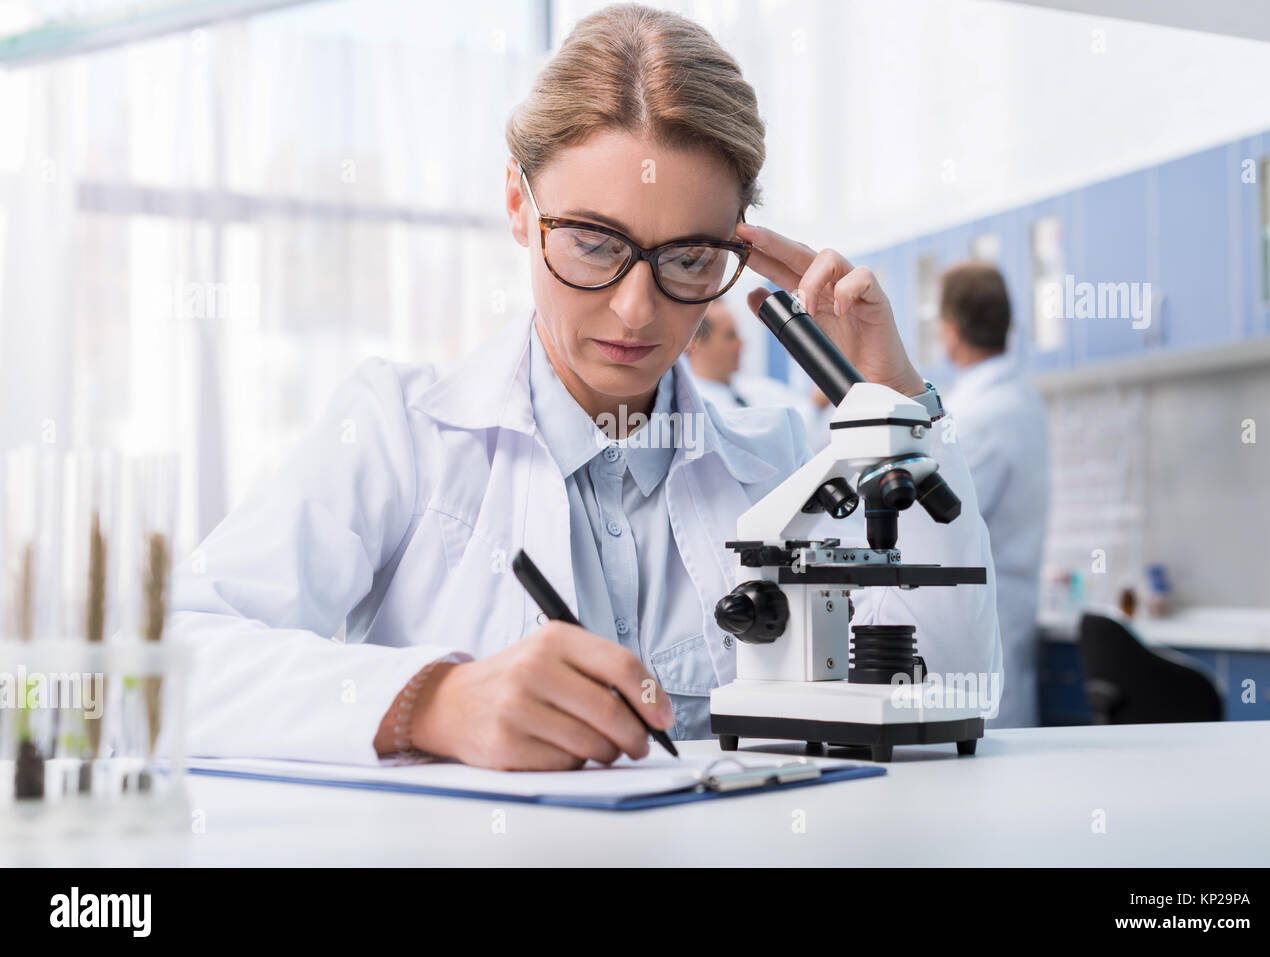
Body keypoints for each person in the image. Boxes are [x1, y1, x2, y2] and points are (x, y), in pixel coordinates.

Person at [167, 3, 1002, 771]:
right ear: (519, 206)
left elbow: (952, 694)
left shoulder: (781, 462)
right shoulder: (401, 432)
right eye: (596, 244)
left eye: (688, 259)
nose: (637, 310)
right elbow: (184, 654)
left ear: (734, 251)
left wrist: (894, 404)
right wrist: (432, 702)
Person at [937, 261, 1049, 729]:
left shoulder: (975, 415)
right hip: (1008, 614)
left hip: (978, 632)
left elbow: (939, 524)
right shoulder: (1023, 402)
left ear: (950, 332)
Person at [685, 296, 819, 433]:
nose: (741, 343)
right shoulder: (692, 411)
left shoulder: (760, 389)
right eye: (730, 335)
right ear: (693, 344)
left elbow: (804, 418)